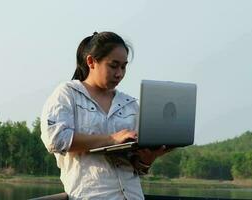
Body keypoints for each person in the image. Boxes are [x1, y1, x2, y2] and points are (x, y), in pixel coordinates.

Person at [40, 31, 171, 200]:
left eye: (123, 66)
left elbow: (136, 167)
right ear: (91, 62)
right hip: (91, 195)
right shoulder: (68, 94)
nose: (119, 73)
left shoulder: (129, 104)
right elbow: (56, 139)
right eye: (113, 65)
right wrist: (112, 139)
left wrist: (148, 159)